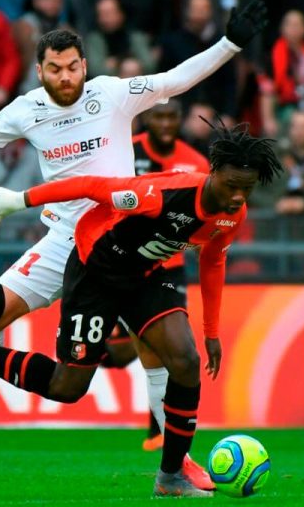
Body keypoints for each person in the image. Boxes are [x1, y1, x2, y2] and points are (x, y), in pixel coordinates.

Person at [0, 0, 267, 489]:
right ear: (39, 71)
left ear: (86, 65)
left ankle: (178, 463)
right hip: (70, 236)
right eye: (55, 69)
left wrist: (229, 43)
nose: (66, 77)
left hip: (132, 226)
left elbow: (176, 79)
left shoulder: (113, 94)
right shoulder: (27, 110)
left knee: (164, 353)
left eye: (73, 67)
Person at [0, 123, 281, 497]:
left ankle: (171, 476)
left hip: (142, 276)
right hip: (94, 273)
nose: (238, 196)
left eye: (247, 188)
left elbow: (212, 263)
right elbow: (91, 187)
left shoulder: (231, 214)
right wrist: (20, 200)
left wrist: (211, 333)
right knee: (67, 387)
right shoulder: (160, 194)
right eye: (231, 186)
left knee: (186, 361)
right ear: (213, 174)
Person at [107, 99, 210, 452]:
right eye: (159, 116)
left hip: (169, 269)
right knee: (121, 354)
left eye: (171, 117)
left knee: (170, 350)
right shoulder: (126, 152)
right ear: (148, 118)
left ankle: (157, 432)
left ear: (179, 120)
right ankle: (79, 359)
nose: (166, 123)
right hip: (122, 264)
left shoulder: (196, 162)